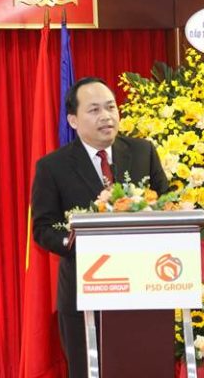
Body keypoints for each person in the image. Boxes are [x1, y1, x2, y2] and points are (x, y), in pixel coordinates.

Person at [31, 77, 168, 378]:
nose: (106, 116)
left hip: (144, 286)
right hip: (84, 290)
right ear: (73, 120)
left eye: (111, 107)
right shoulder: (52, 167)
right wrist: (75, 241)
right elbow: (42, 227)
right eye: (94, 110)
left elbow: (167, 204)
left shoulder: (143, 151)